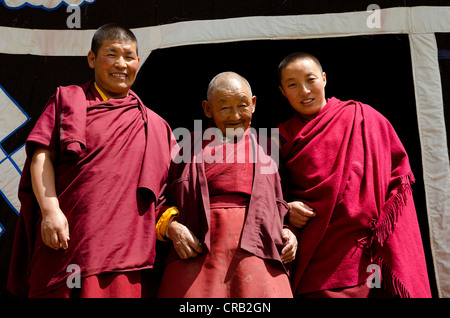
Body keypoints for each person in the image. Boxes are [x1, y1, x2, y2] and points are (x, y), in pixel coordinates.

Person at [7, 23, 175, 298]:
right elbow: (41, 157)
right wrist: (50, 211)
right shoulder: (69, 101)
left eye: (129, 56)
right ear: (92, 59)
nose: (121, 64)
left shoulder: (155, 125)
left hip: (123, 256)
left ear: (138, 62)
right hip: (67, 244)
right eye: (112, 54)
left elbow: (165, 192)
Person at [275, 52, 431, 298]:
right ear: (283, 91)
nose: (304, 91)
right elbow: (269, 191)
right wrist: (285, 208)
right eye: (293, 84)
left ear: (324, 79)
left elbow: (399, 175)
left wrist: (383, 230)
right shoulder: (280, 137)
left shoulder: (364, 118)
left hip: (366, 252)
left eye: (310, 79)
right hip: (315, 256)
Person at [155, 71, 296, 298]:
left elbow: (284, 203)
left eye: (242, 105)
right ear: (207, 109)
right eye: (224, 108)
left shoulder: (270, 148)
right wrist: (171, 228)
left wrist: (289, 232)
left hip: (258, 246)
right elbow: (158, 200)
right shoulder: (187, 148)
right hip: (199, 246)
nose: (235, 116)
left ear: (254, 104)